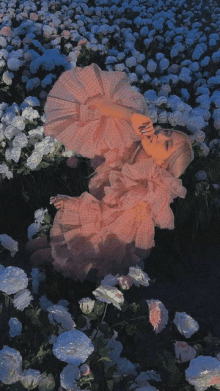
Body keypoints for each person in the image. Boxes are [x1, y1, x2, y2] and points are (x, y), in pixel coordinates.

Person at [25, 65, 194, 283]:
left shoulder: (147, 189)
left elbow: (110, 220)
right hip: (94, 220)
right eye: (167, 132)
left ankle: (48, 282)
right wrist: (131, 115)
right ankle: (45, 262)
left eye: (166, 144)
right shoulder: (129, 143)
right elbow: (93, 104)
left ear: (163, 164)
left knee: (42, 257)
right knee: (36, 246)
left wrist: (73, 205)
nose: (160, 135)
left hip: (101, 239)